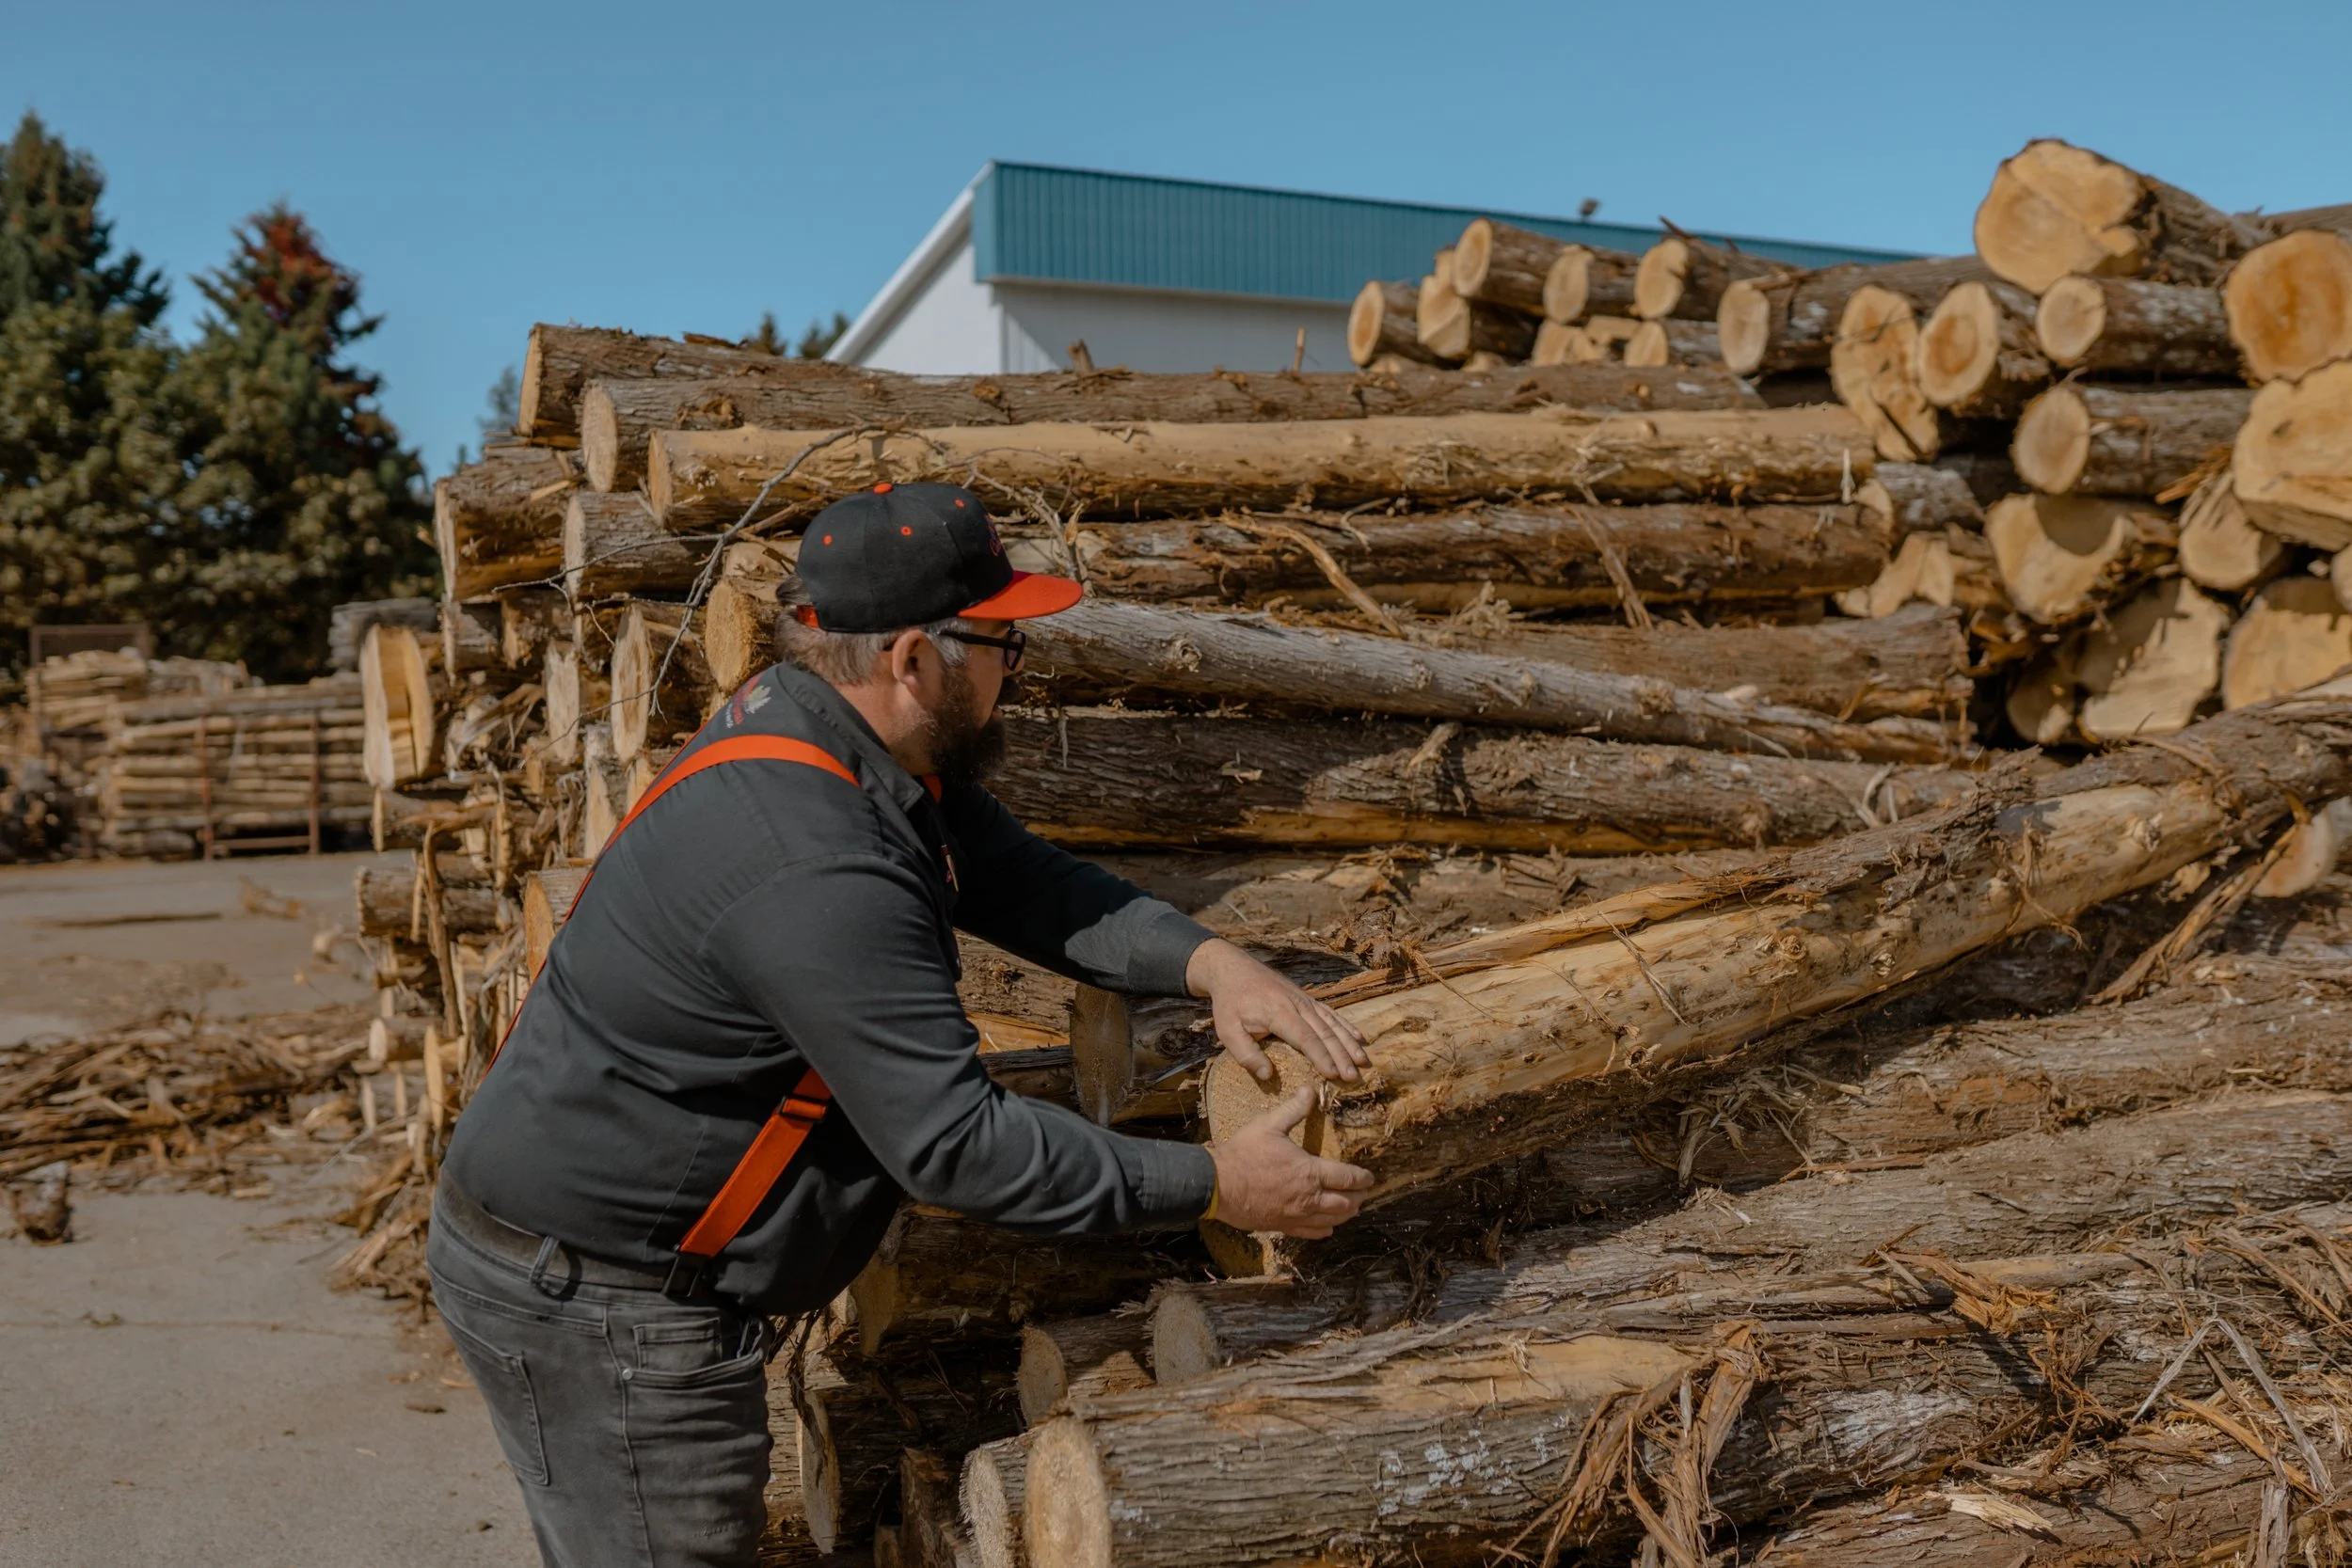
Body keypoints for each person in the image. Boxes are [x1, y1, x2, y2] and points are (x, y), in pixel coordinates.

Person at [429, 481, 1376, 1568]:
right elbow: (958, 1145)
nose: (1016, 668)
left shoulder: (835, 732)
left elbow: (1018, 878)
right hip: (603, 1307)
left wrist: (1209, 961)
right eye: (1002, 641)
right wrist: (1217, 1181)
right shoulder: (813, 851)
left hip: (591, 1258)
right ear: (913, 661)